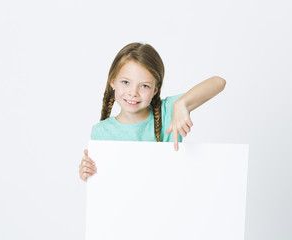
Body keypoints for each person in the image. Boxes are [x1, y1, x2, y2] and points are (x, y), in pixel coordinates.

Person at [79, 42, 226, 182]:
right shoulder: (101, 132)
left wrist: (182, 103)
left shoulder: (168, 112)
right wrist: (87, 175)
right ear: (113, 82)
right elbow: (105, 182)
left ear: (155, 90)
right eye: (125, 82)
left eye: (144, 86)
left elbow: (219, 82)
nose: (133, 92)